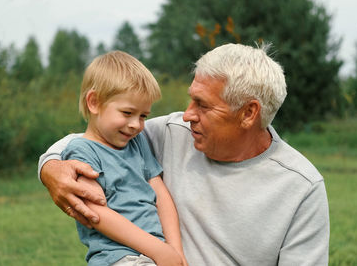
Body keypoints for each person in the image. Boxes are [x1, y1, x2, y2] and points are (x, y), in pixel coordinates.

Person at [39, 43, 330, 265]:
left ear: (248, 113)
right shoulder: (169, 133)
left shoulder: (302, 187)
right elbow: (89, 140)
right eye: (191, 99)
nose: (187, 114)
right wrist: (50, 167)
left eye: (202, 105)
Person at [53, 50, 187, 266]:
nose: (136, 124)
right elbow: (95, 213)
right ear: (94, 102)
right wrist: (159, 250)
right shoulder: (81, 151)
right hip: (118, 257)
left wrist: (175, 251)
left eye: (143, 116)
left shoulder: (137, 142)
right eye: (127, 113)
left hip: (154, 255)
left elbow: (160, 195)